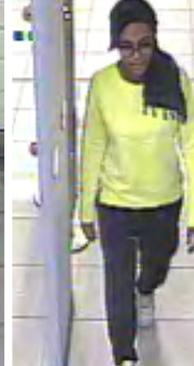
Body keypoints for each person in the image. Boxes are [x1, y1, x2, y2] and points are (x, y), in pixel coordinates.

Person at [78, 0, 194, 365]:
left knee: (158, 262)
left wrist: (193, 213)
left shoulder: (176, 81)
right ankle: (124, 355)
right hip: (115, 204)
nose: (136, 55)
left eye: (145, 44)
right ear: (115, 44)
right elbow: (93, 144)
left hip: (163, 200)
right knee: (117, 283)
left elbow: (191, 147)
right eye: (126, 46)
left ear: (155, 41)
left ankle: (148, 289)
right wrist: (85, 207)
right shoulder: (102, 84)